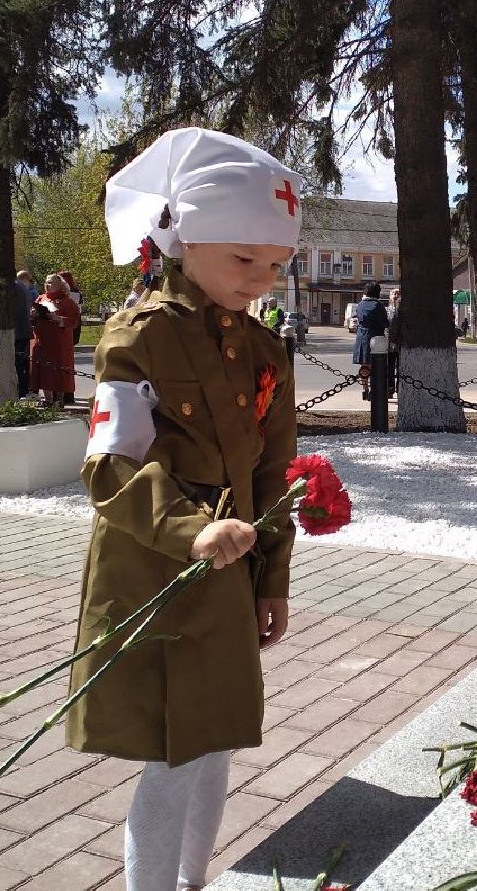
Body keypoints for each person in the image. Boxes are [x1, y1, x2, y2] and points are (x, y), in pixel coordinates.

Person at [71, 127, 301, 891]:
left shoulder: (266, 352)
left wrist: (273, 580)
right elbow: (113, 464)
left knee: (217, 740)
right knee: (174, 753)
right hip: (158, 569)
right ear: (187, 237)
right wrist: (192, 529)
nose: (262, 278)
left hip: (232, 576)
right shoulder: (139, 334)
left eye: (276, 264)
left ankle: (195, 880)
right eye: (245, 259)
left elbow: (276, 472)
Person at [29, 273, 81, 407]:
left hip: (59, 342)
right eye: (46, 282)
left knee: (58, 370)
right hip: (41, 340)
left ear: (60, 285)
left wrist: (59, 319)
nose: (47, 285)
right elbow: (33, 317)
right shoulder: (40, 298)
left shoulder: (67, 301)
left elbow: (75, 321)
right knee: (43, 370)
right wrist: (33, 315)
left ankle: (59, 400)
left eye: (51, 282)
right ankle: (47, 399)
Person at [352, 281, 389, 399]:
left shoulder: (360, 305)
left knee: (364, 366)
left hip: (361, 336)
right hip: (376, 338)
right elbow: (385, 323)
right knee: (376, 366)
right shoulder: (378, 306)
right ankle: (374, 390)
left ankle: (365, 390)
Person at [14, 270, 34, 398]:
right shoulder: (23, 288)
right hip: (24, 330)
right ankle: (23, 391)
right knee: (22, 365)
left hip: (18, 331)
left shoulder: (15, 287)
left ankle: (21, 391)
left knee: (19, 365)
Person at [59, 270, 85, 347]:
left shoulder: (64, 293)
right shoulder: (77, 292)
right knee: (71, 342)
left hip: (66, 318)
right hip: (75, 318)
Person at [386, 288, 403, 397]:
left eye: (397, 293)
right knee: (389, 368)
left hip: (401, 343)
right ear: (390, 296)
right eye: (393, 293)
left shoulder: (403, 310)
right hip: (388, 343)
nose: (395, 295)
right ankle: (390, 389)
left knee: (400, 368)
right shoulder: (386, 310)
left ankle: (400, 390)